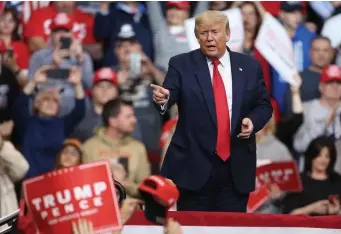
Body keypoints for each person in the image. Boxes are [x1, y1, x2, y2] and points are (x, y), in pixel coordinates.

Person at [150, 10, 272, 212]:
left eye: (215, 32)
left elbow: (264, 105)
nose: (209, 38)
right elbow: (169, 94)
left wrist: (252, 121)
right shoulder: (181, 64)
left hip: (236, 168)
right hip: (193, 166)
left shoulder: (249, 66)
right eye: (203, 33)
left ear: (228, 34)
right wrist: (163, 99)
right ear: (196, 37)